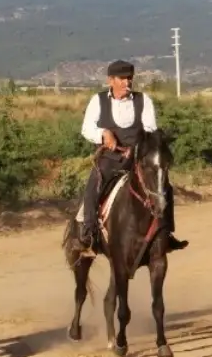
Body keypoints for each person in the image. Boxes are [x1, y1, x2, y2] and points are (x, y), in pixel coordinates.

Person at [76, 60, 187, 257]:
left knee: (164, 186)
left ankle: (167, 233)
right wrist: (103, 133)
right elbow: (86, 129)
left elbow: (151, 131)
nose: (127, 82)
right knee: (92, 188)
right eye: (123, 79)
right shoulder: (98, 100)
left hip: (136, 160)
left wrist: (136, 149)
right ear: (111, 80)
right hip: (109, 159)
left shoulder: (143, 101)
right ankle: (89, 236)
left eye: (130, 78)